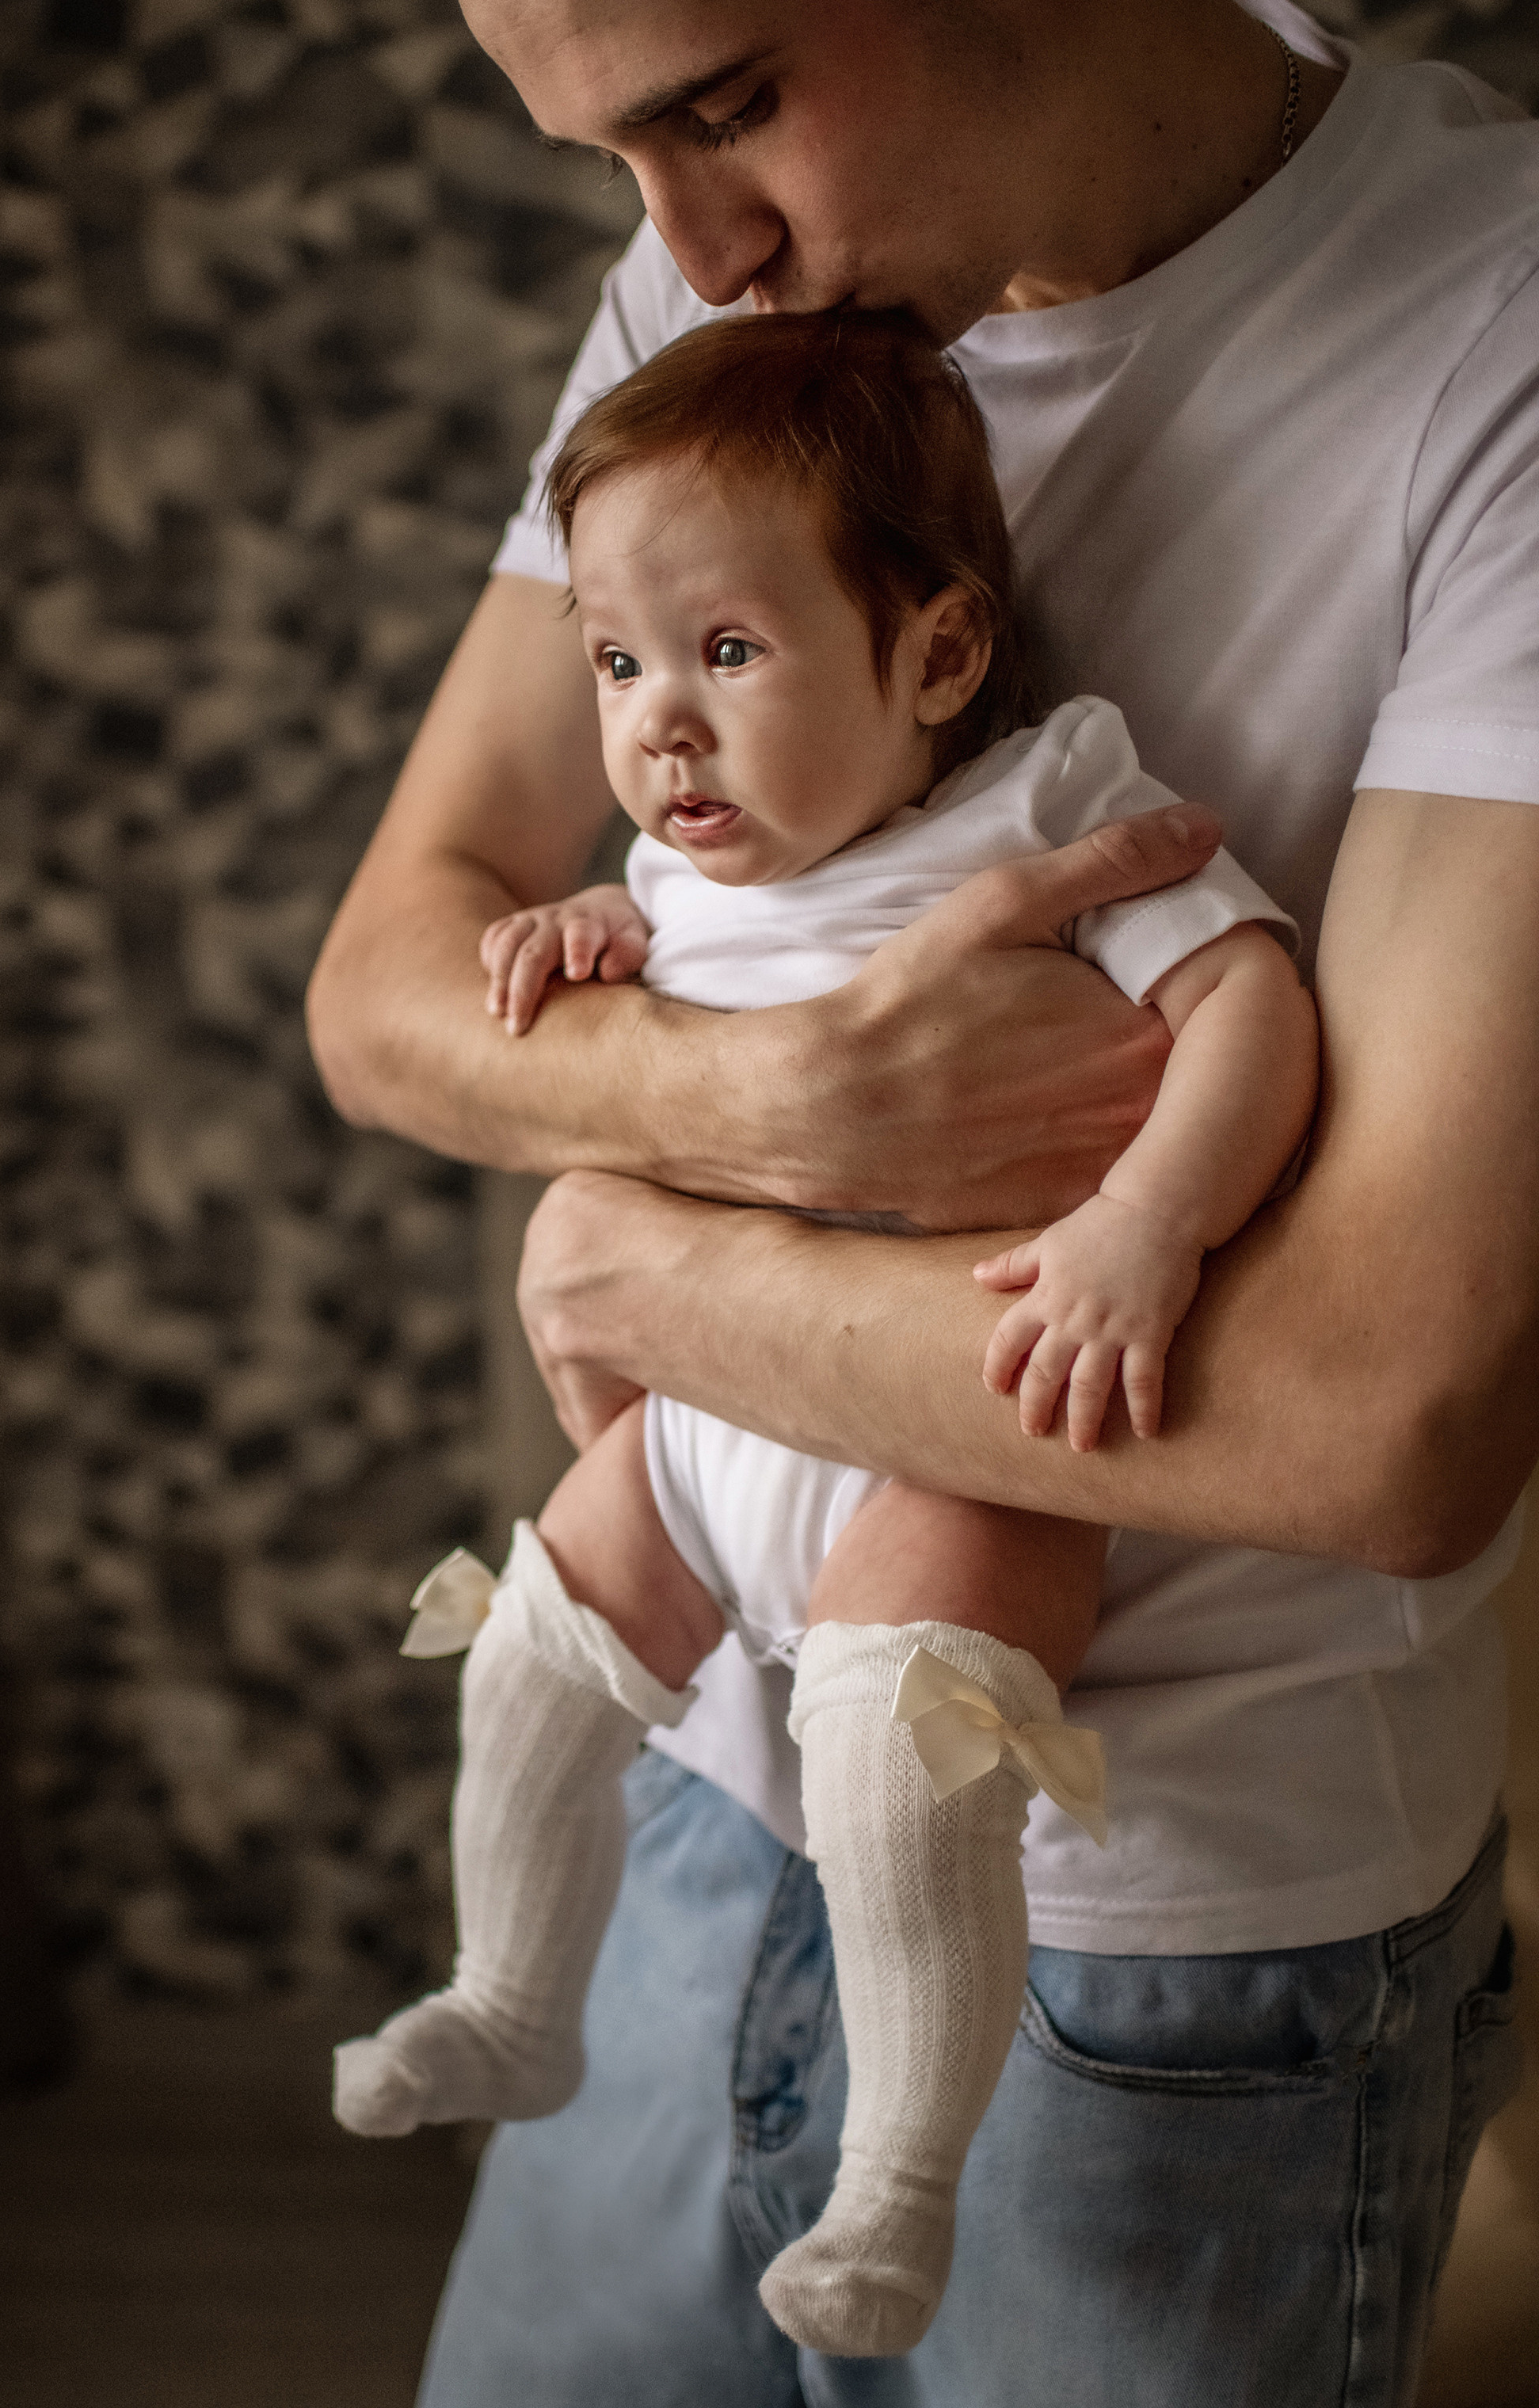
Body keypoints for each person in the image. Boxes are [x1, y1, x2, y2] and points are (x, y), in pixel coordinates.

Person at [305, 2, 1539, 2400]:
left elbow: (1393, 1420)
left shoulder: (1495, 334)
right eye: (611, 159)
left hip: (1172, 1939)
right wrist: (774, 1114)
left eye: (728, 102)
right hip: (694, 1798)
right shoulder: (738, 301)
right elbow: (387, 986)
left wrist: (641, 1253)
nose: (684, 250)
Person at [328, 311, 1316, 2360]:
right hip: (702, 1431)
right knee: (532, 1645)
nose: (659, 731)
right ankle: (513, 1996)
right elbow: (612, 1016)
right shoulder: (670, 875)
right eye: (617, 665)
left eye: (728, 653)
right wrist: (581, 950)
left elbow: (1249, 1007)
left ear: (939, 657)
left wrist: (1147, 1219)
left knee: (905, 1757)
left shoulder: (1049, 800)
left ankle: (900, 2183)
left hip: (956, 1431)